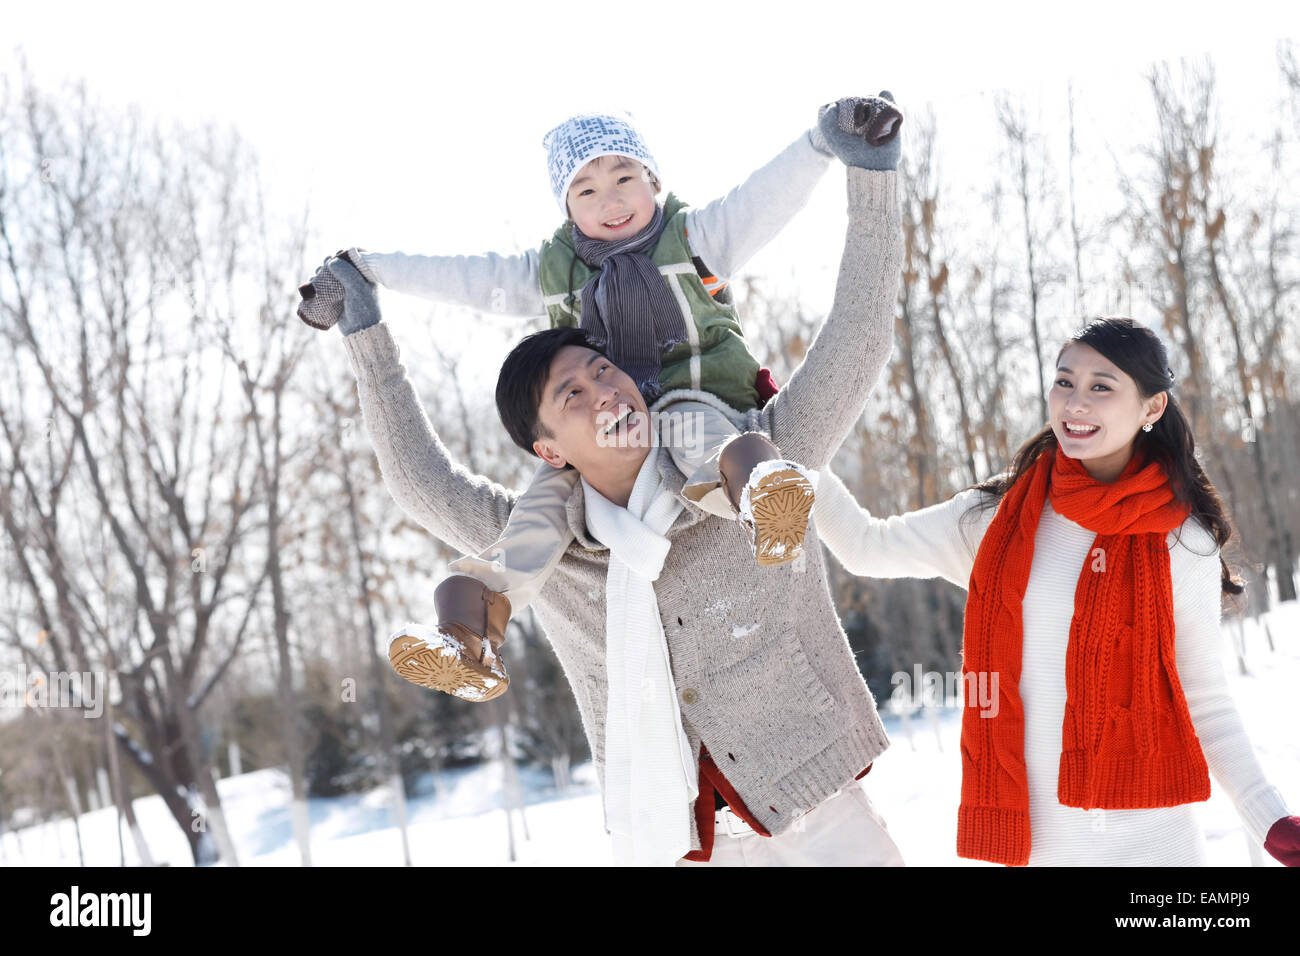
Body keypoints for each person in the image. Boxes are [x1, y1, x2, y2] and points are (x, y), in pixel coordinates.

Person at [309, 95, 907, 865]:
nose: (610, 391)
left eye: (604, 370)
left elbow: (858, 333)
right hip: (676, 834)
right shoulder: (558, 546)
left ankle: (763, 505)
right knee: (491, 568)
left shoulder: (759, 447)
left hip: (823, 806)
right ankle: (465, 641)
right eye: (574, 397)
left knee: (745, 469)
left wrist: (869, 173)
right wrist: (365, 321)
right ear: (547, 448)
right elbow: (421, 481)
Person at [812, 316, 1300, 866]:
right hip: (1037, 848)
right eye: (1064, 382)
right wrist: (799, 441)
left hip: (1154, 853)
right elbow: (864, 544)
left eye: (1101, 387)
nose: (1075, 403)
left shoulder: (1180, 541)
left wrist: (1270, 817)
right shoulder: (997, 520)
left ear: (1152, 408)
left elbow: (1204, 698)